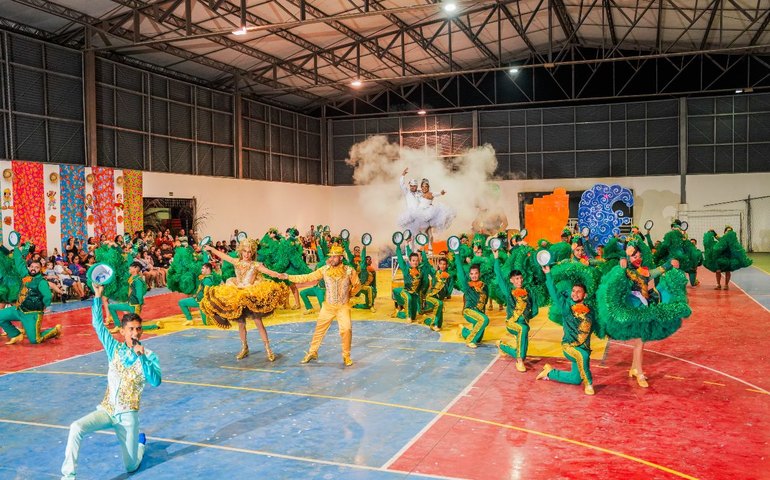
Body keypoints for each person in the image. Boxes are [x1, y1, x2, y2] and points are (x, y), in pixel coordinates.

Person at [60, 283, 161, 480]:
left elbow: (156, 381)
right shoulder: (114, 348)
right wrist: (98, 297)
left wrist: (142, 358)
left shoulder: (149, 355)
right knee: (76, 427)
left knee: (131, 466)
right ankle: (68, 476)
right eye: (131, 329)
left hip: (128, 416)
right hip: (107, 410)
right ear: (122, 331)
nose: (135, 333)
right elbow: (98, 325)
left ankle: (140, 444)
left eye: (138, 329)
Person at [200, 240, 289, 361]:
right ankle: (244, 348)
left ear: (252, 253)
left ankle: (268, 349)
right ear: (241, 251)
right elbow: (223, 256)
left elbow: (269, 272)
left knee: (258, 322)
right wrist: (211, 248)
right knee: (241, 324)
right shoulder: (236, 262)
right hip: (237, 296)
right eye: (245, 251)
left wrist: (279, 275)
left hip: (251, 296)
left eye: (249, 252)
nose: (247, 254)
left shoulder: (256, 265)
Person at [286, 244, 361, 367]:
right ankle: (312, 352)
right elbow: (307, 277)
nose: (331, 259)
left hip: (343, 306)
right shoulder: (325, 270)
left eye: (334, 257)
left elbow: (357, 285)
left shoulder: (349, 270)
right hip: (328, 306)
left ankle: (346, 355)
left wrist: (349, 294)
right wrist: (288, 277)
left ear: (341, 258)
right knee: (319, 330)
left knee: (346, 329)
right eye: (330, 257)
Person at [536, 265, 595, 395]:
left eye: (578, 291)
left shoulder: (591, 310)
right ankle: (589, 384)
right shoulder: (566, 307)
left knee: (575, 379)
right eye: (573, 291)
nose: (575, 293)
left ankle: (550, 373)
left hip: (584, 347)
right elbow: (553, 292)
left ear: (585, 295)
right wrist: (548, 274)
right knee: (582, 356)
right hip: (569, 347)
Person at [0, 242, 61, 345]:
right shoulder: (25, 275)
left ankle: (55, 331)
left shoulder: (41, 281)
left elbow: (47, 296)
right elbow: (19, 262)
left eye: (36, 267)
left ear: (40, 269)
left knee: (34, 340)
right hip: (18, 310)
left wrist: (44, 306)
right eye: (31, 266)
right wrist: (15, 247)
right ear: (28, 267)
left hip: (32, 314)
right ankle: (15, 335)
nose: (33, 269)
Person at [494, 250, 538, 372]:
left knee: (523, 344)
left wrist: (528, 315)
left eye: (520, 278)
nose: (519, 281)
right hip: (512, 323)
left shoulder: (528, 291)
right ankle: (519, 361)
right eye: (516, 279)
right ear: (512, 280)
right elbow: (499, 276)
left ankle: (502, 345)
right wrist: (496, 258)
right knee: (522, 332)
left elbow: (534, 309)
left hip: (524, 323)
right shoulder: (509, 291)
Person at [107, 262, 161, 334]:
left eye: (131, 267)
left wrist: (140, 303)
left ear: (136, 268)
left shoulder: (138, 280)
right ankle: (118, 326)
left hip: (135, 306)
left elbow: (139, 294)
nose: (129, 268)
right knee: (111, 306)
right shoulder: (132, 278)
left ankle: (155, 326)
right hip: (129, 304)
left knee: (135, 327)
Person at [453, 253, 489, 348]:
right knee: (485, 320)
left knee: (478, 338)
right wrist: (457, 255)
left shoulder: (485, 286)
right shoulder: (467, 286)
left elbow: (484, 303)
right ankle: (469, 340)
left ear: (479, 274)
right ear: (469, 275)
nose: (474, 276)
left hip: (479, 313)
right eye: (472, 274)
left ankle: (463, 330)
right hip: (469, 311)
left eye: (476, 273)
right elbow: (460, 272)